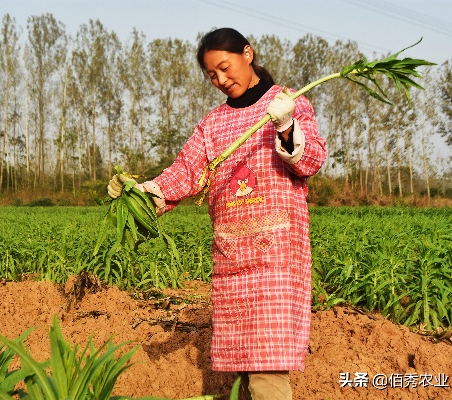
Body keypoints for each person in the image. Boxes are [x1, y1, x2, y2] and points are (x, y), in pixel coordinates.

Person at [108, 27, 326, 400]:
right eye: (212, 76)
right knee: (245, 365)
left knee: (266, 369)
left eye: (225, 68)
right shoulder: (213, 125)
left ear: (248, 53)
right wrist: (140, 192)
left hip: (276, 255)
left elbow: (312, 160)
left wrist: (286, 125)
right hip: (232, 257)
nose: (222, 80)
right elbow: (185, 172)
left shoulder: (288, 102)